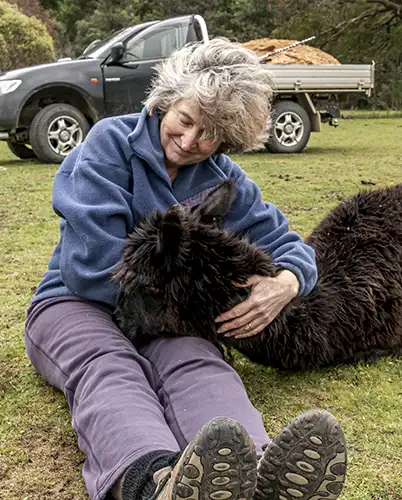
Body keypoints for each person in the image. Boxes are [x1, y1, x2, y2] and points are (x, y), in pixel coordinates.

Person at [24, 38, 347, 500]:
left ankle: (255, 476)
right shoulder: (109, 146)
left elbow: (291, 247)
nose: (191, 141)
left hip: (167, 314)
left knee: (198, 362)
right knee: (112, 367)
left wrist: (285, 283)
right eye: (186, 119)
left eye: (211, 133)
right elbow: (91, 267)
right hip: (76, 303)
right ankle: (156, 483)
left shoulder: (223, 178)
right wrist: (189, 299)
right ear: (166, 101)